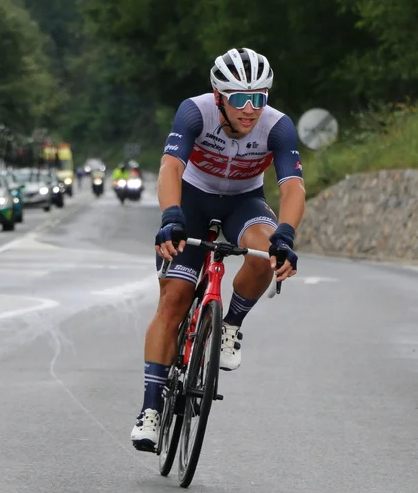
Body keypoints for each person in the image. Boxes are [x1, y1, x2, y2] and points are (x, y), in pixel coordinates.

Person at [130, 47, 305, 450]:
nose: (250, 109)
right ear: (219, 96)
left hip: (244, 202)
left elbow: (293, 187)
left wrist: (285, 235)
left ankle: (230, 326)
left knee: (265, 253)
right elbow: (171, 167)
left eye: (259, 98)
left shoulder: (278, 127)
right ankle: (151, 408)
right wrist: (171, 215)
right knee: (173, 301)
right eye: (240, 98)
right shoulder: (195, 112)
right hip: (192, 199)